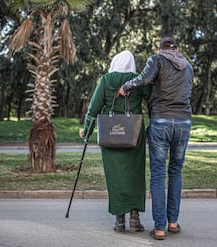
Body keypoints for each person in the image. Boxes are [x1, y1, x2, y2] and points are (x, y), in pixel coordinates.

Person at [117, 37, 193, 240]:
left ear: (160, 48)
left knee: (158, 174)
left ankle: (159, 228)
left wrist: (126, 87)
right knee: (176, 172)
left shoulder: (157, 59)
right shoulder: (188, 66)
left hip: (162, 122)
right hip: (184, 123)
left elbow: (143, 79)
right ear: (176, 48)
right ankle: (173, 222)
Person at [79, 50, 148, 233]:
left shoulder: (106, 80)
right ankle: (135, 219)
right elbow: (153, 99)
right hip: (135, 134)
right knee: (135, 175)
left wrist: (86, 131)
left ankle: (119, 221)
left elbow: (93, 109)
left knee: (115, 177)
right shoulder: (138, 79)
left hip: (111, 135)